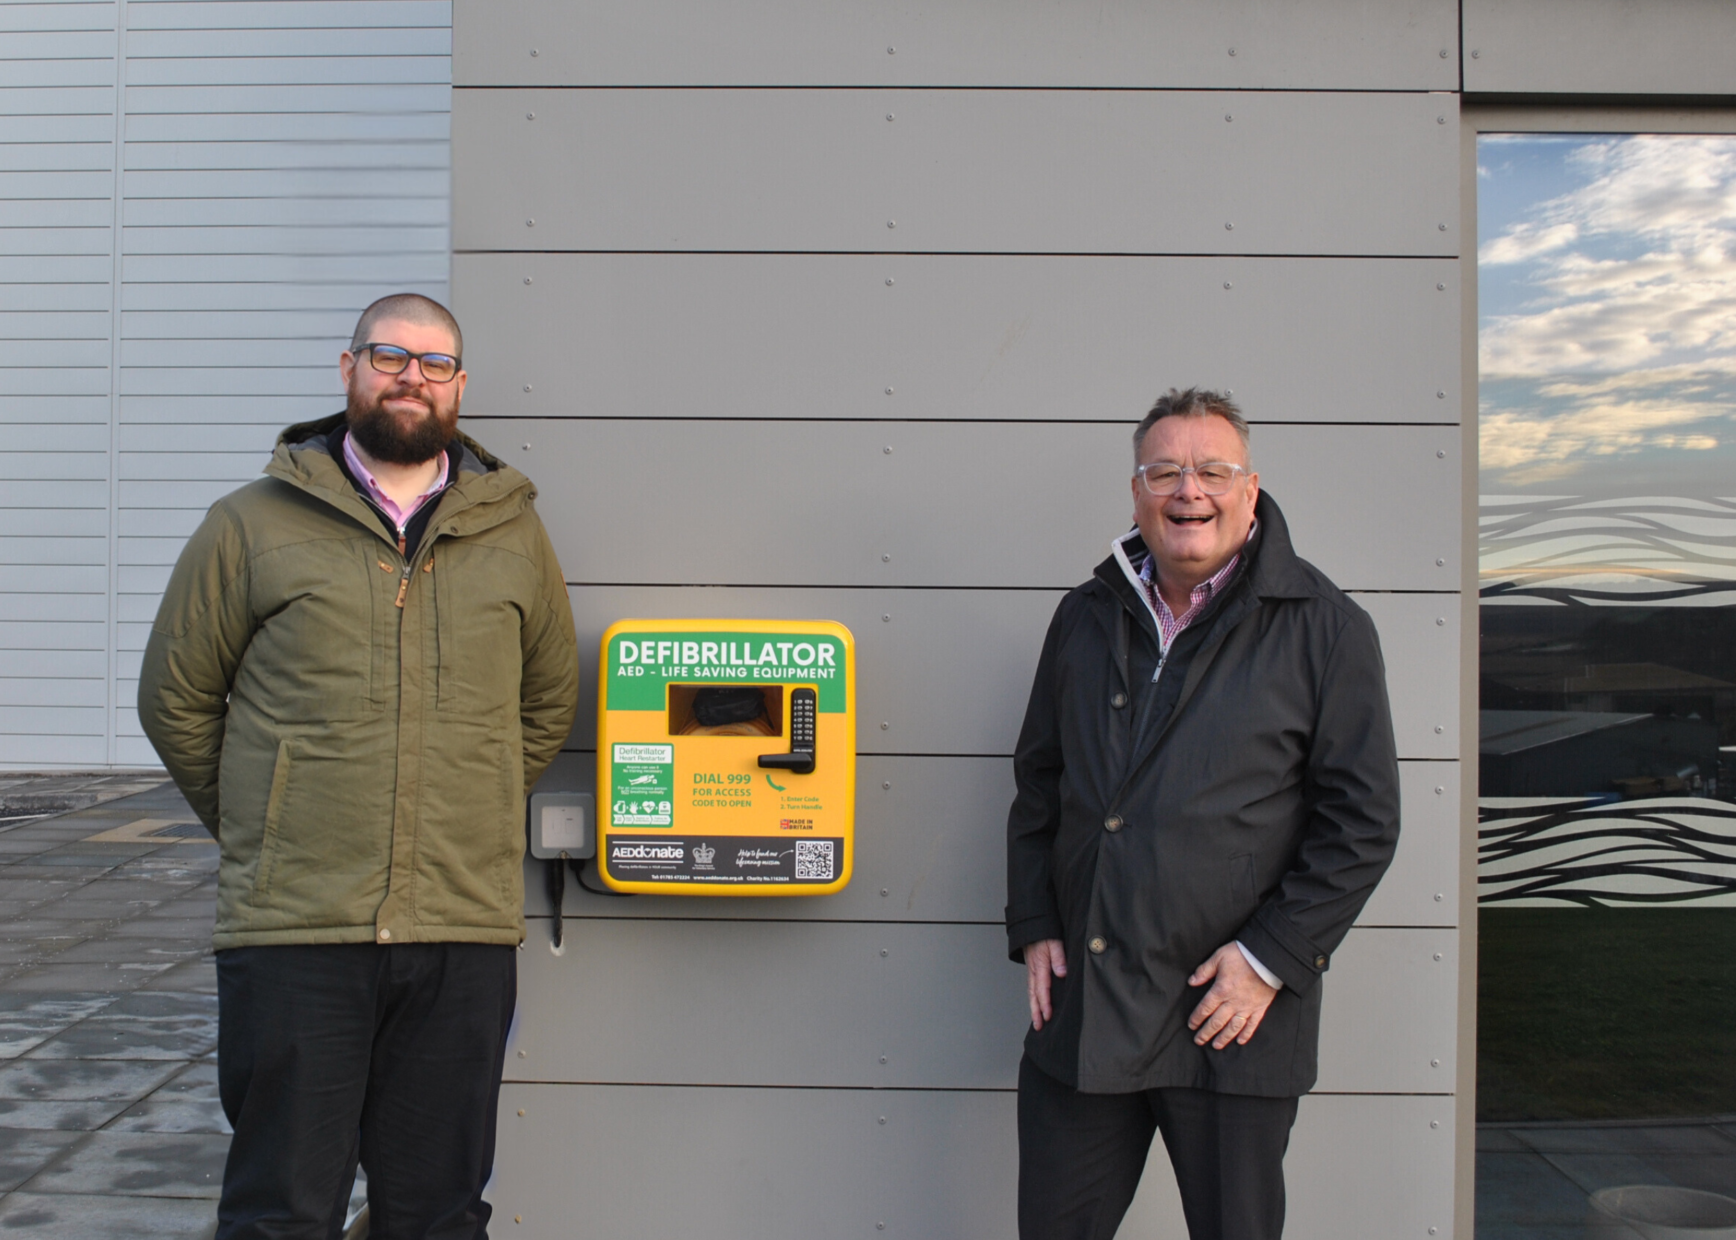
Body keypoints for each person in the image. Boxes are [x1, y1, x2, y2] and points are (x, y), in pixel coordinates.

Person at [139, 293, 580, 1239]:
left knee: (438, 1213)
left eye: (434, 362)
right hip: (296, 927)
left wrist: (477, 810)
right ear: (348, 371)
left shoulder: (512, 533)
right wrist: (270, 820)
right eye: (389, 355)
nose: (410, 376)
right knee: (279, 1212)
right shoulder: (250, 525)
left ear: (460, 387)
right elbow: (175, 698)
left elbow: (546, 702)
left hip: (459, 930)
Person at [1005, 388, 1400, 1240]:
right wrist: (1035, 917)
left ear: (1250, 489)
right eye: (1166, 471)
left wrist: (1269, 959)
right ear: (1137, 491)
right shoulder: (1084, 616)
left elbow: (1363, 823)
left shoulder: (1325, 628)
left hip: (1229, 1017)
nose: (1191, 491)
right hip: (1088, 1010)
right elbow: (1040, 782)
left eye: (1213, 470)